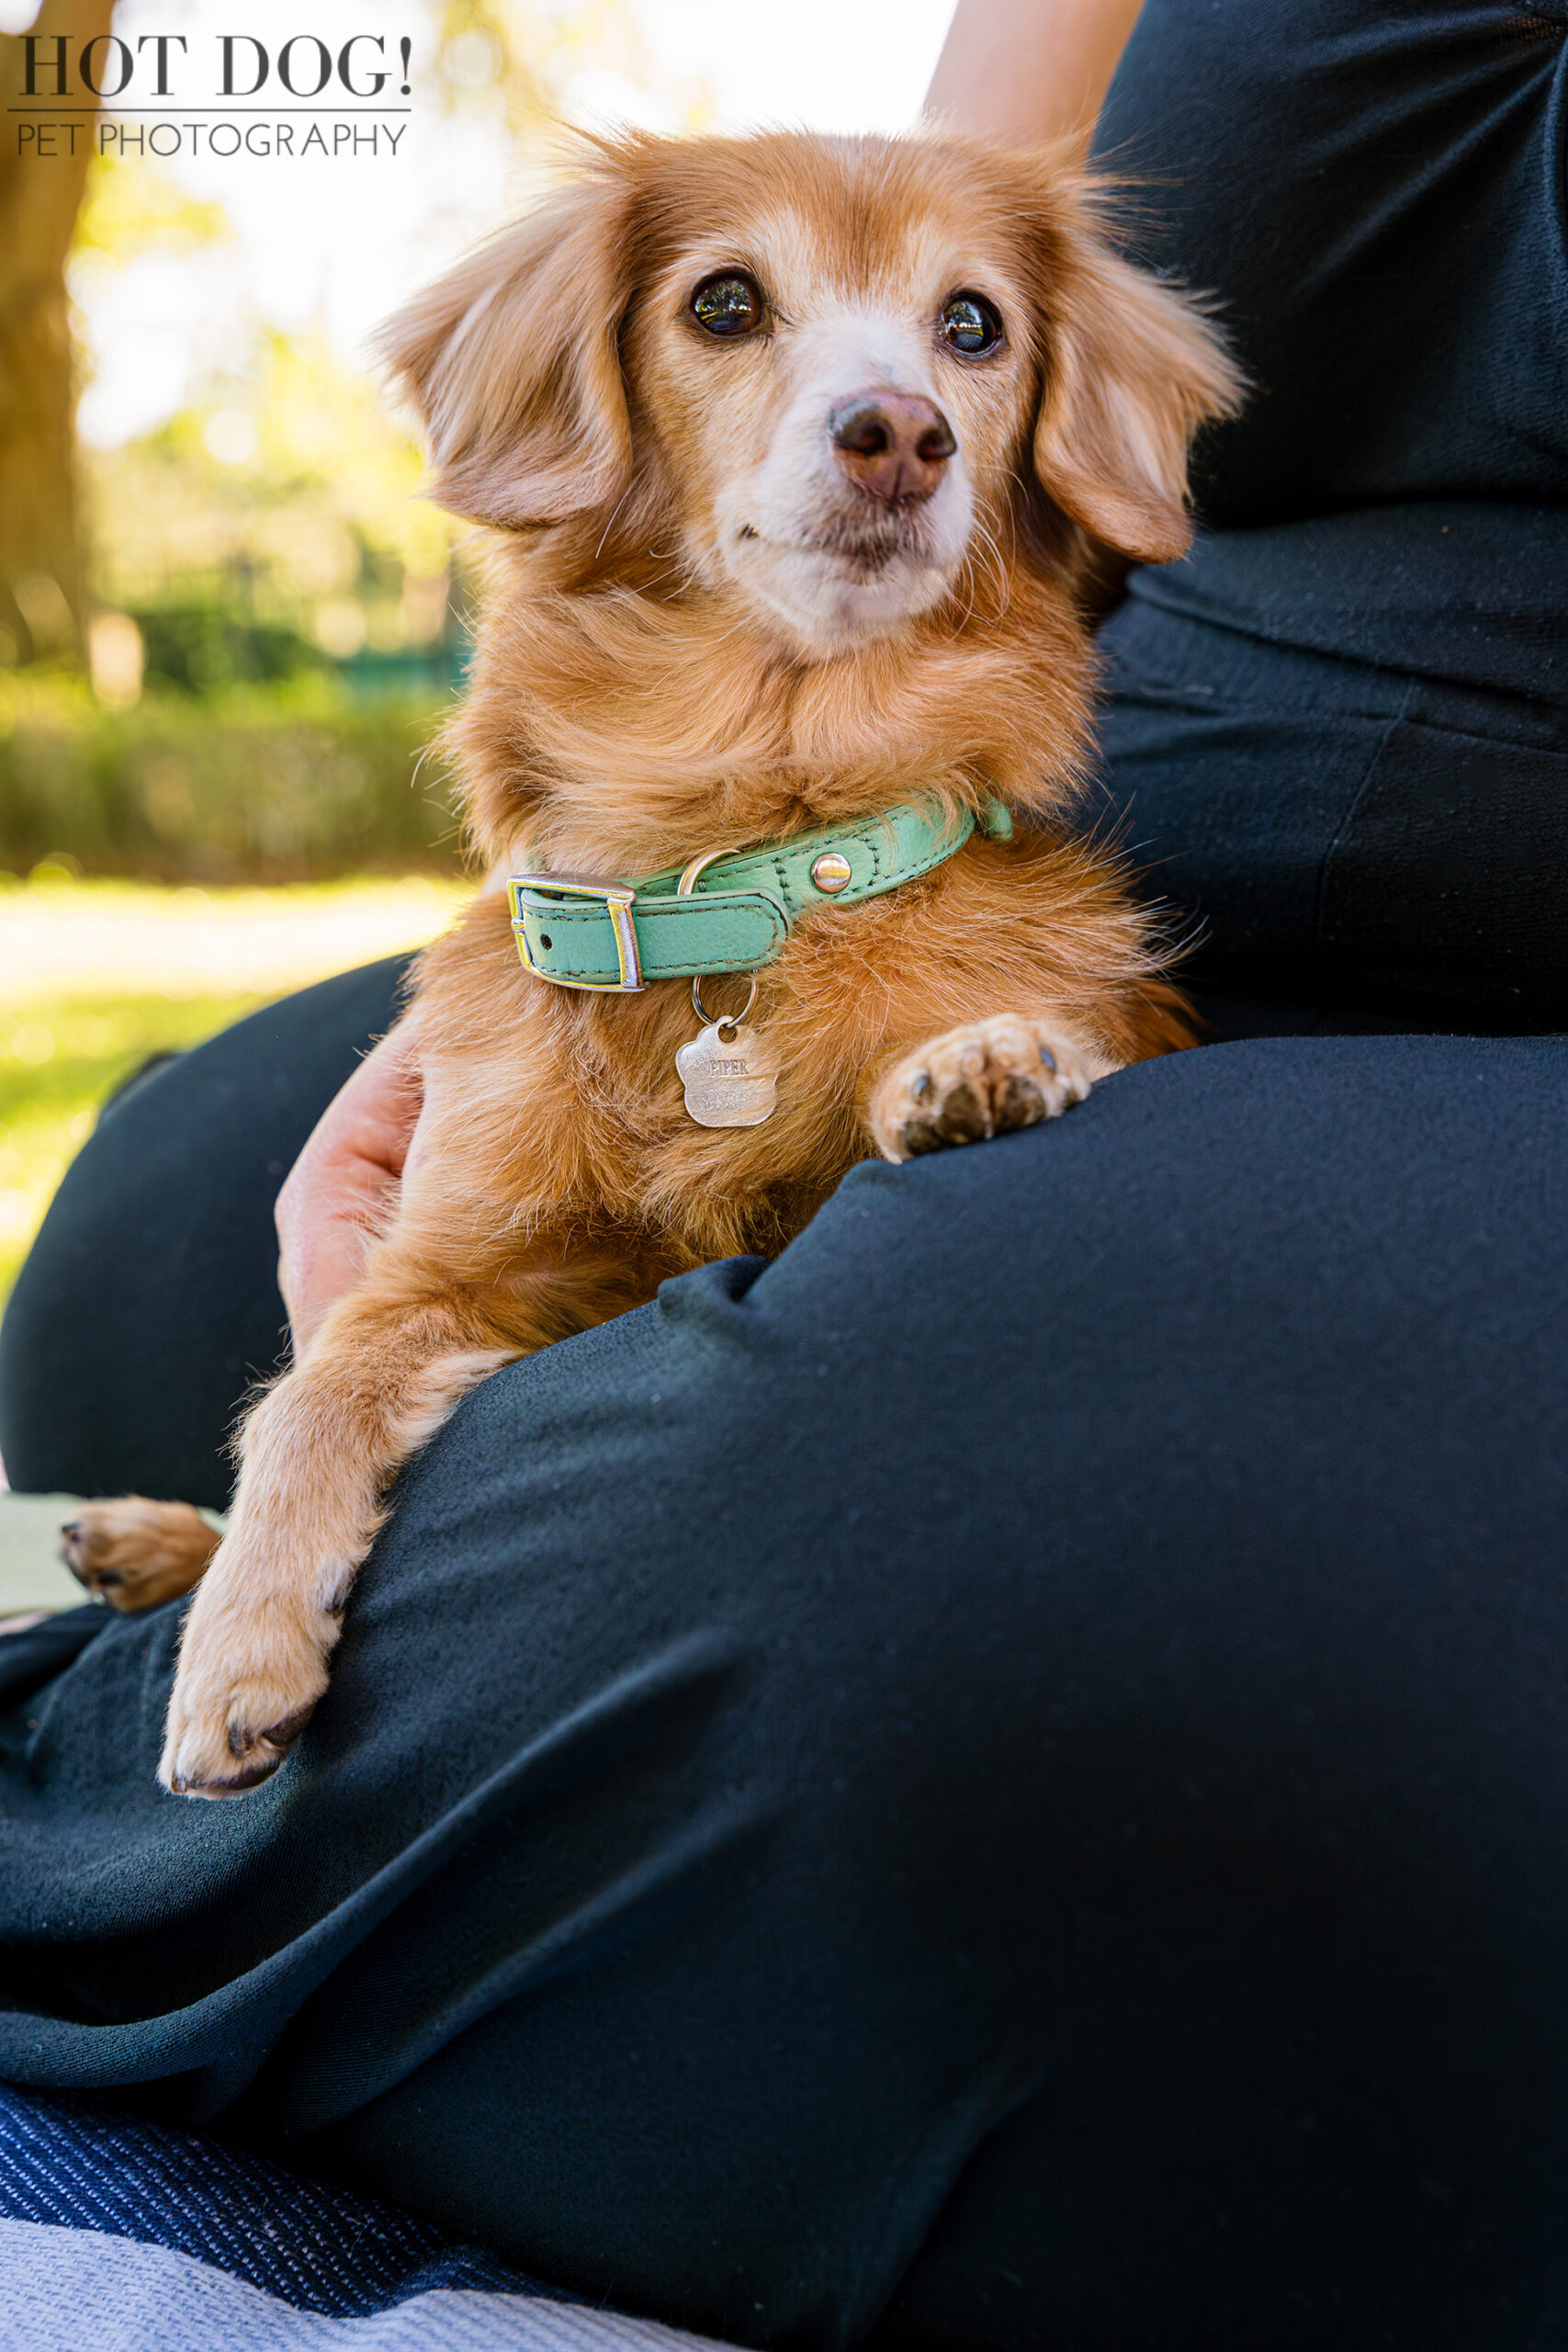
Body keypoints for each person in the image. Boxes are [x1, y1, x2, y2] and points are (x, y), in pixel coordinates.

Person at [2, 3, 1566, 2343]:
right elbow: (899, 211)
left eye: (963, 343)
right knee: (154, 1204)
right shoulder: (861, 323)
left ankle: (182, 1884)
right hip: (775, 857)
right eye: (729, 310)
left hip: (1427, 965)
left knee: (882, 1502)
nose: (888, 401)